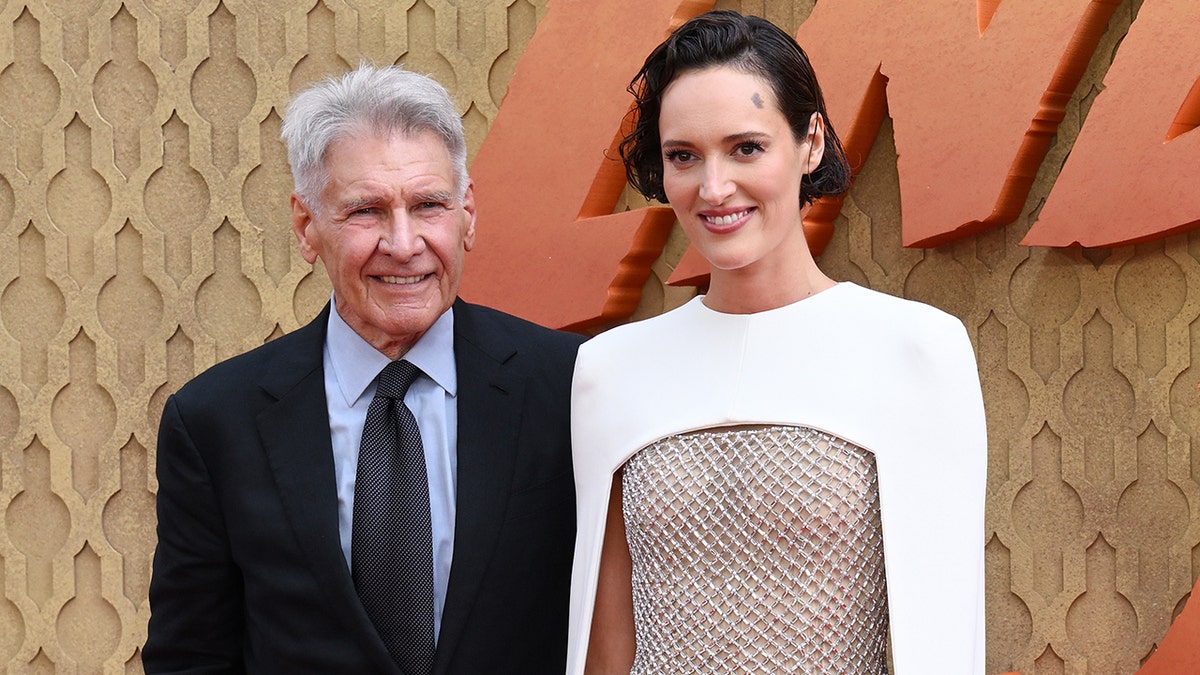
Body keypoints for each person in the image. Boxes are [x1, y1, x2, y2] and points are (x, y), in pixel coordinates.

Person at [567, 11, 986, 674]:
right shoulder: (610, 369)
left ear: (811, 141)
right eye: (684, 156)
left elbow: (942, 642)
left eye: (746, 147)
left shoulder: (917, 351)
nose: (713, 188)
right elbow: (606, 650)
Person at [144, 64, 584, 673]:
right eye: (367, 212)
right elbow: (191, 655)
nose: (403, 244)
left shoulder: (569, 385)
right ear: (307, 226)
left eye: (428, 205)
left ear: (468, 214)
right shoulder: (215, 420)